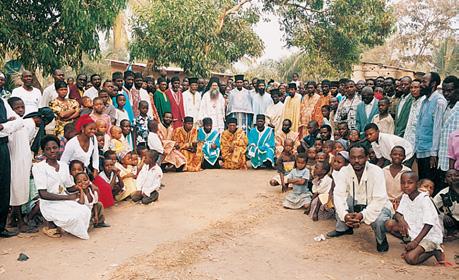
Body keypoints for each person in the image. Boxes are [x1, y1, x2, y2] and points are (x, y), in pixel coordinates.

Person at [327, 145, 392, 253]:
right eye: (353, 158)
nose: (356, 161)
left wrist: (362, 215)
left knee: (379, 220)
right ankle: (343, 228)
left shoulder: (377, 171)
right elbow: (338, 195)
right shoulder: (344, 171)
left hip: (377, 204)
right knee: (340, 200)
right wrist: (345, 215)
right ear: (349, 158)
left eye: (360, 157)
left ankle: (381, 240)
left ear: (367, 157)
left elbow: (379, 200)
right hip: (357, 202)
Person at [32, 135, 91, 239]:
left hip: (64, 200)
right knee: (74, 217)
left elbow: (69, 187)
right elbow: (43, 194)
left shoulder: (63, 165)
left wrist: (79, 187)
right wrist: (68, 198)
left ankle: (72, 228)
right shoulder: (38, 168)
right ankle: (51, 226)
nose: (52, 151)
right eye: (48, 149)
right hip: (50, 203)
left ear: (59, 148)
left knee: (85, 210)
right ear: (43, 151)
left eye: (54, 148)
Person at [385, 172, 446, 265]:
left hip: (429, 235)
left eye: (410, 183)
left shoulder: (424, 199)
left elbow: (429, 224)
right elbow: (397, 214)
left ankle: (435, 249)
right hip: (414, 230)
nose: (406, 186)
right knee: (389, 224)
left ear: (417, 184)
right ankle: (413, 244)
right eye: (403, 183)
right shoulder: (406, 196)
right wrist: (401, 220)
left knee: (410, 259)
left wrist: (416, 242)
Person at [6, 97, 37, 233]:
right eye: (17, 108)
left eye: (22, 107)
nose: (20, 110)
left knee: (21, 190)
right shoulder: (9, 125)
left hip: (23, 162)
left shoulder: (24, 124)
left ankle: (12, 219)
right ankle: (20, 222)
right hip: (14, 162)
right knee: (16, 191)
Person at [415, 72, 447, 184]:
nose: (421, 84)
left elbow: (438, 129)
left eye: (424, 81)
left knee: (429, 185)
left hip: (430, 154)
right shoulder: (424, 101)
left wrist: (434, 153)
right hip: (421, 150)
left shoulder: (439, 102)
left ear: (433, 84)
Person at [437, 88, 459, 190]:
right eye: (444, 90)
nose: (446, 93)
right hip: (443, 154)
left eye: (450, 90)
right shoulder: (445, 105)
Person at [433, 169, 459, 240]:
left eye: (456, 175)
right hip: (453, 220)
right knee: (437, 217)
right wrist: (443, 215)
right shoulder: (443, 193)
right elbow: (432, 205)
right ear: (445, 180)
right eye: (449, 176)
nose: (453, 178)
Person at [383, 146, 411, 210]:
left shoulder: (408, 171)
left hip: (403, 203)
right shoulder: (383, 171)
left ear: (404, 157)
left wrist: (400, 199)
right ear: (390, 155)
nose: (397, 156)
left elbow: (409, 190)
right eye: (395, 154)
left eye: (400, 155)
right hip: (385, 203)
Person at [403, 80, 426, 149]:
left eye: (416, 87)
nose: (413, 90)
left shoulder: (424, 102)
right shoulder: (413, 101)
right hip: (408, 140)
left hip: (418, 142)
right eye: (411, 88)